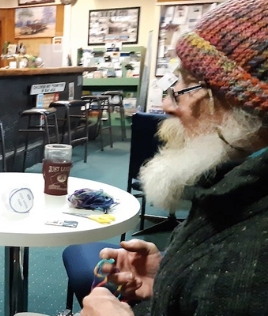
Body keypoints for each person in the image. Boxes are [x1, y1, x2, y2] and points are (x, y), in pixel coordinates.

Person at [81, 0, 268, 315]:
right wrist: (167, 273)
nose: (168, 104)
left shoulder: (255, 263)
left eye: (187, 83)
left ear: (244, 106)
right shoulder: (235, 183)